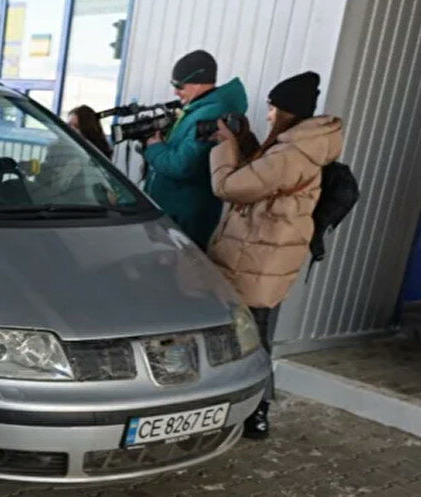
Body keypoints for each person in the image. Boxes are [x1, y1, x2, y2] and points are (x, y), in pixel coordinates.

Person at [208, 71, 344, 439]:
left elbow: (229, 186)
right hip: (261, 257)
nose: (268, 114)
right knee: (250, 334)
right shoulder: (294, 147)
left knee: (255, 339)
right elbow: (262, 177)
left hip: (261, 262)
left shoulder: (292, 152)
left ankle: (257, 413)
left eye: (272, 109)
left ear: (286, 112)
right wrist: (246, 140)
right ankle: (247, 409)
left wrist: (223, 144)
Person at [143, 50, 248, 248]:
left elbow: (183, 165)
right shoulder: (197, 110)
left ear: (198, 82)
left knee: (180, 275)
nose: (175, 92)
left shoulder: (211, 114)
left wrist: (154, 149)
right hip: (176, 210)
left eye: (179, 85)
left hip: (185, 215)